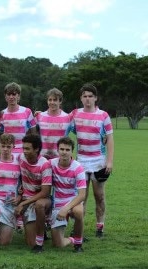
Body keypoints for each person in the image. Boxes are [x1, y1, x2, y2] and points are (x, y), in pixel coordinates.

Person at [70, 83, 114, 238]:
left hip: (98, 161)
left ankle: (100, 227)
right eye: (84, 96)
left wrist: (109, 161)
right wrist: (41, 114)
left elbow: (109, 138)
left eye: (90, 96)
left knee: (99, 195)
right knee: (81, 196)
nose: (87, 99)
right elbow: (62, 121)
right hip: (81, 161)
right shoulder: (75, 114)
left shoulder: (103, 115)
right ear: (81, 99)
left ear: (95, 98)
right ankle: (78, 226)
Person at [14, 134, 52, 253]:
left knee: (39, 205)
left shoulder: (45, 164)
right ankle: (41, 228)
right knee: (30, 242)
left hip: (39, 200)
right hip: (25, 199)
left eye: (27, 149)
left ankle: (41, 234)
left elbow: (45, 192)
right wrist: (19, 194)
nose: (24, 151)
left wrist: (23, 203)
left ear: (36, 149)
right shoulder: (20, 158)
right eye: (23, 148)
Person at [50, 137, 86, 252]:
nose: (64, 152)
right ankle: (72, 239)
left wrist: (66, 208)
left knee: (79, 212)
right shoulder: (51, 164)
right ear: (57, 150)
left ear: (72, 151)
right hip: (57, 203)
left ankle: (78, 244)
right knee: (58, 244)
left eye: (67, 149)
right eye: (62, 149)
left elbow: (82, 195)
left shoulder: (78, 167)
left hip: (73, 200)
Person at [0, 82, 37, 155]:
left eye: (14, 94)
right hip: (7, 151)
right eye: (9, 94)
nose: (11, 97)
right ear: (5, 97)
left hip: (23, 151)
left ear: (18, 96)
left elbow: (33, 134)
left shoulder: (27, 111)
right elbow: (0, 134)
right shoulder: (2, 113)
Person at [35, 88, 72, 159]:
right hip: (42, 158)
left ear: (60, 101)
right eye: (50, 100)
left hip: (60, 158)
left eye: (55, 100)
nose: (52, 102)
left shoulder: (68, 117)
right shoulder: (39, 116)